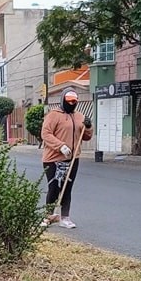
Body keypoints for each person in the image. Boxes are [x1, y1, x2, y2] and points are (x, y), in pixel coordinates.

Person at [41, 88, 93, 229]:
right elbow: (45, 134)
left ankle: (65, 217)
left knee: (67, 188)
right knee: (54, 187)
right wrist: (60, 146)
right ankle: (48, 216)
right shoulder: (53, 115)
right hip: (53, 158)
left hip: (72, 158)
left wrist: (88, 127)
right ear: (63, 100)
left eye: (74, 101)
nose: (72, 103)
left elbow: (87, 136)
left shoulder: (79, 116)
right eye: (69, 100)